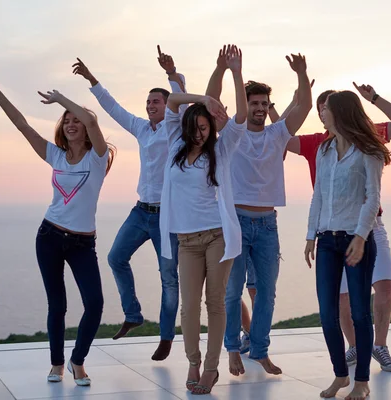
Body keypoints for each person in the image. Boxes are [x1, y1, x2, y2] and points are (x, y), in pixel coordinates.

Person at [0, 77, 115, 386]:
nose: (72, 123)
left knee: (95, 303)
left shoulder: (98, 157)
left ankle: (78, 361)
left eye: (76, 120)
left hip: (82, 243)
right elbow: (23, 126)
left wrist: (62, 99)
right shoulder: (56, 155)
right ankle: (57, 365)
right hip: (49, 236)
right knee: (57, 305)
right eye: (67, 120)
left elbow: (91, 118)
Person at [287, 83, 391, 372]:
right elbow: (279, 137)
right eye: (321, 107)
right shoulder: (317, 145)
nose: (323, 111)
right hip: (333, 232)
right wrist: (296, 101)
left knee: (384, 285)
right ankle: (356, 348)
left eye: (328, 106)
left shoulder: (368, 137)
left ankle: (379, 347)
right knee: (343, 299)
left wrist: (375, 98)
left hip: (370, 228)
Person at [72, 46, 185, 361]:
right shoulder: (140, 128)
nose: (151, 105)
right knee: (115, 257)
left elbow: (180, 96)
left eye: (157, 101)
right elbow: (112, 107)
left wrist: (171, 73)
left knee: (168, 278)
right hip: (141, 212)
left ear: (168, 106)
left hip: (166, 217)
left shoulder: (175, 127)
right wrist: (91, 79)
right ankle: (133, 314)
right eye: (148, 101)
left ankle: (165, 336)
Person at [206, 52, 312, 376]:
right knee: (232, 290)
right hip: (235, 221)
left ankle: (261, 350)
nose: (260, 109)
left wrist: (302, 73)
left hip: (267, 223)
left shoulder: (278, 133)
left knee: (266, 292)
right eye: (255, 103)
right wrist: (223, 69)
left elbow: (305, 106)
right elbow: (211, 101)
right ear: (246, 104)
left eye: (264, 104)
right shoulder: (233, 132)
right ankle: (233, 350)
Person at [160, 45, 247, 395]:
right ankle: (193, 360)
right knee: (189, 306)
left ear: (211, 129)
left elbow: (240, 116)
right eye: (194, 126)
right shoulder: (172, 144)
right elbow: (171, 103)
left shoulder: (222, 150)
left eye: (205, 127)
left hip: (217, 236)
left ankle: (211, 370)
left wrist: (235, 72)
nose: (199, 132)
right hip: (186, 240)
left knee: (216, 302)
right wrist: (205, 99)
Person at [304, 90, 391, 400]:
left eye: (326, 109)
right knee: (327, 313)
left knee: (359, 312)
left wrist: (359, 236)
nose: (322, 113)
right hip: (327, 241)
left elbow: (373, 198)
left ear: (340, 112)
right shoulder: (324, 150)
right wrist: (310, 236)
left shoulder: (369, 150)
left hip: (359, 241)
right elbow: (318, 196)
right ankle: (340, 375)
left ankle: (362, 380)